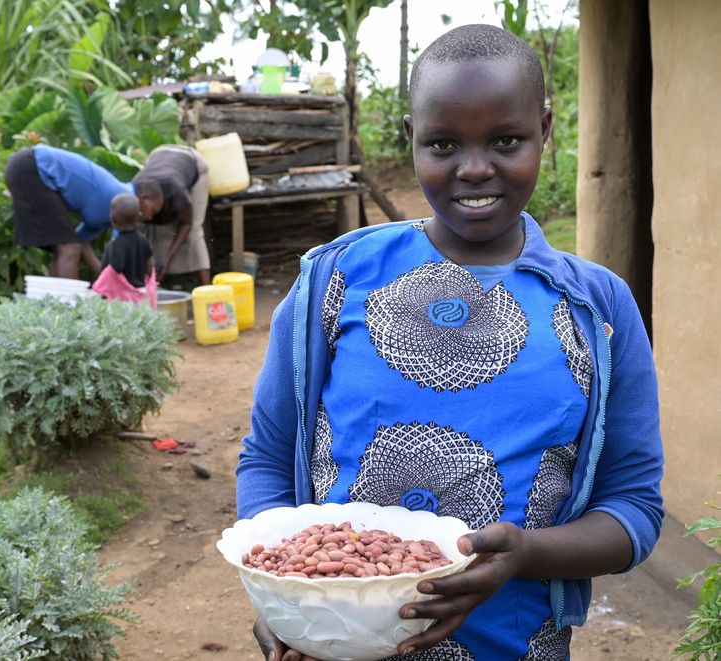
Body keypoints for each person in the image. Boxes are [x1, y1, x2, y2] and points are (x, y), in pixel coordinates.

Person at [235, 24, 664, 661]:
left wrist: (528, 554)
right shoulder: (335, 281)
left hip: (513, 646)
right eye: (441, 143)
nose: (473, 167)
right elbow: (267, 459)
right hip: (334, 647)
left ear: (545, 130)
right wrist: (279, 595)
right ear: (410, 138)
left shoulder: (597, 309)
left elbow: (633, 508)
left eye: (506, 140)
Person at [4, 145, 155, 279]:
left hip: (26, 166)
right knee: (69, 248)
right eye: (152, 210)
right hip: (33, 167)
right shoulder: (121, 197)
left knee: (65, 247)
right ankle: (68, 308)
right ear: (143, 199)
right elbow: (120, 247)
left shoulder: (107, 211)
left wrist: (103, 276)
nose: (150, 217)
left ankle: (53, 303)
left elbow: (81, 240)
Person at [133, 144, 211, 285]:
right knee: (146, 228)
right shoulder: (134, 188)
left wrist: (167, 261)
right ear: (141, 198)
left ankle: (208, 291)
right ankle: (150, 284)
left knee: (194, 232)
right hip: (157, 153)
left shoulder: (178, 193)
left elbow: (186, 224)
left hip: (192, 160)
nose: (150, 218)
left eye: (154, 212)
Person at [99, 193, 153, 288]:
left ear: (113, 219)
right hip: (140, 291)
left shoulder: (116, 244)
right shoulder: (143, 240)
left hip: (120, 295)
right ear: (139, 216)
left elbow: (115, 268)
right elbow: (150, 266)